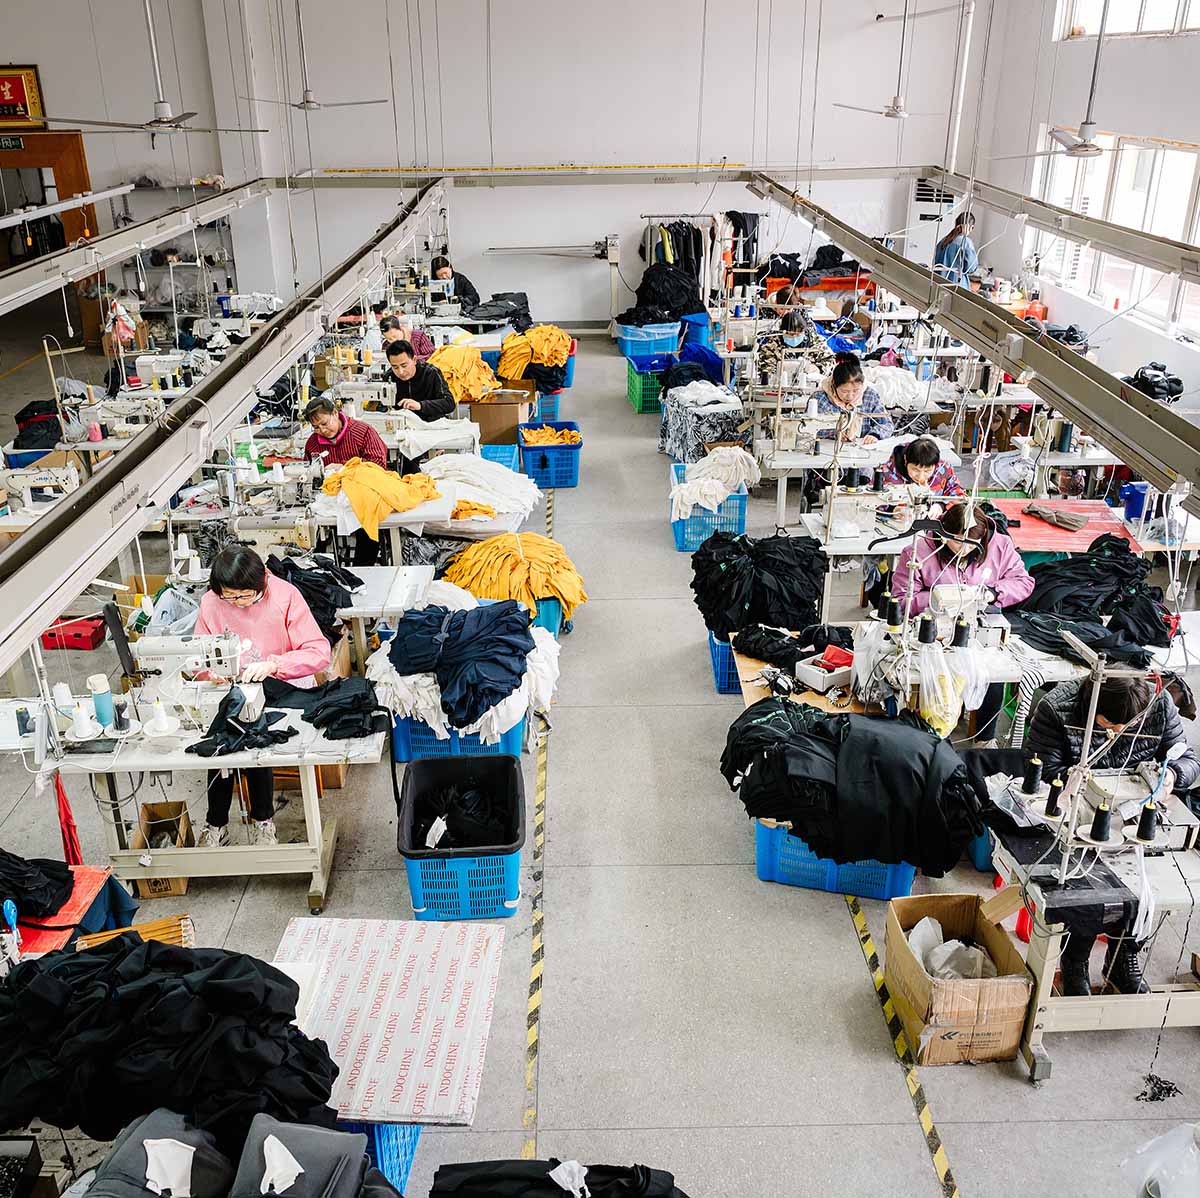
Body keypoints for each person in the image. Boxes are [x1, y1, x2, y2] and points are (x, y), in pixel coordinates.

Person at [1026, 675, 1200, 995]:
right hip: (1078, 816)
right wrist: (1070, 780)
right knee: (1091, 890)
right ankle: (1075, 957)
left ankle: (1123, 956)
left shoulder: (1159, 705)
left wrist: (1173, 775)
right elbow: (1041, 770)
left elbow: (1187, 759)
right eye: (1109, 724)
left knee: (1147, 887)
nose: (1118, 732)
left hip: (1134, 817)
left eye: (1127, 727)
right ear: (1092, 707)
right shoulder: (1057, 709)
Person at [192, 546, 331, 849]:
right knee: (220, 743)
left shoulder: (285, 596)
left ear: (263, 582)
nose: (238, 604)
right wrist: (209, 673)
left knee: (258, 740)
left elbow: (319, 652)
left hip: (283, 686)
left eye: (245, 596)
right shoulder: (212, 602)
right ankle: (215, 824)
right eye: (230, 597)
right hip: (234, 686)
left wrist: (275, 665)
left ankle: (263, 821)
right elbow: (198, 656)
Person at [890, 501, 1033, 618]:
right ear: (944, 533)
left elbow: (1023, 582)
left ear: (983, 535)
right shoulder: (917, 553)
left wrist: (992, 592)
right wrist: (942, 598)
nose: (964, 549)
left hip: (983, 619)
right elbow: (900, 601)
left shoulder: (1001, 546)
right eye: (957, 542)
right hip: (933, 621)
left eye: (972, 543)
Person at [303, 396, 391, 565]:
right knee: (312, 528)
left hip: (364, 495)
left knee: (368, 528)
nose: (322, 430)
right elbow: (309, 473)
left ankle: (361, 570)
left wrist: (345, 468)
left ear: (335, 413)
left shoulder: (363, 432)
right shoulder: (312, 444)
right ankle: (321, 569)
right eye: (316, 427)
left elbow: (378, 464)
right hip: (331, 498)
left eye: (324, 423)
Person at [815, 354, 894, 443]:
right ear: (834, 384)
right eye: (845, 391)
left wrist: (875, 435)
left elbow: (887, 424)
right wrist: (835, 433)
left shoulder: (869, 396)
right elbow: (809, 429)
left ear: (862, 385)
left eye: (855, 391)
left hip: (863, 447)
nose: (850, 396)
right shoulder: (820, 399)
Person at [384, 339, 455, 419]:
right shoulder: (389, 376)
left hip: (431, 422)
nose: (401, 372)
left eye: (404, 366)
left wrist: (420, 405)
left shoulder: (431, 373)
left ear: (414, 360)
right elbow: (382, 406)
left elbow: (449, 403)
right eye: (395, 367)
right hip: (402, 422)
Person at [882, 436, 965, 495]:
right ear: (905, 460)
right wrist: (894, 509)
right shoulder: (886, 473)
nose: (921, 476)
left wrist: (940, 506)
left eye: (927, 471)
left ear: (935, 465)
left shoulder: (944, 470)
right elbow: (876, 501)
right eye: (915, 470)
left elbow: (957, 493)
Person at [933, 212, 979, 287]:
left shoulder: (943, 241)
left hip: (939, 284)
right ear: (971, 227)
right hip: (956, 286)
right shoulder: (966, 243)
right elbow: (971, 268)